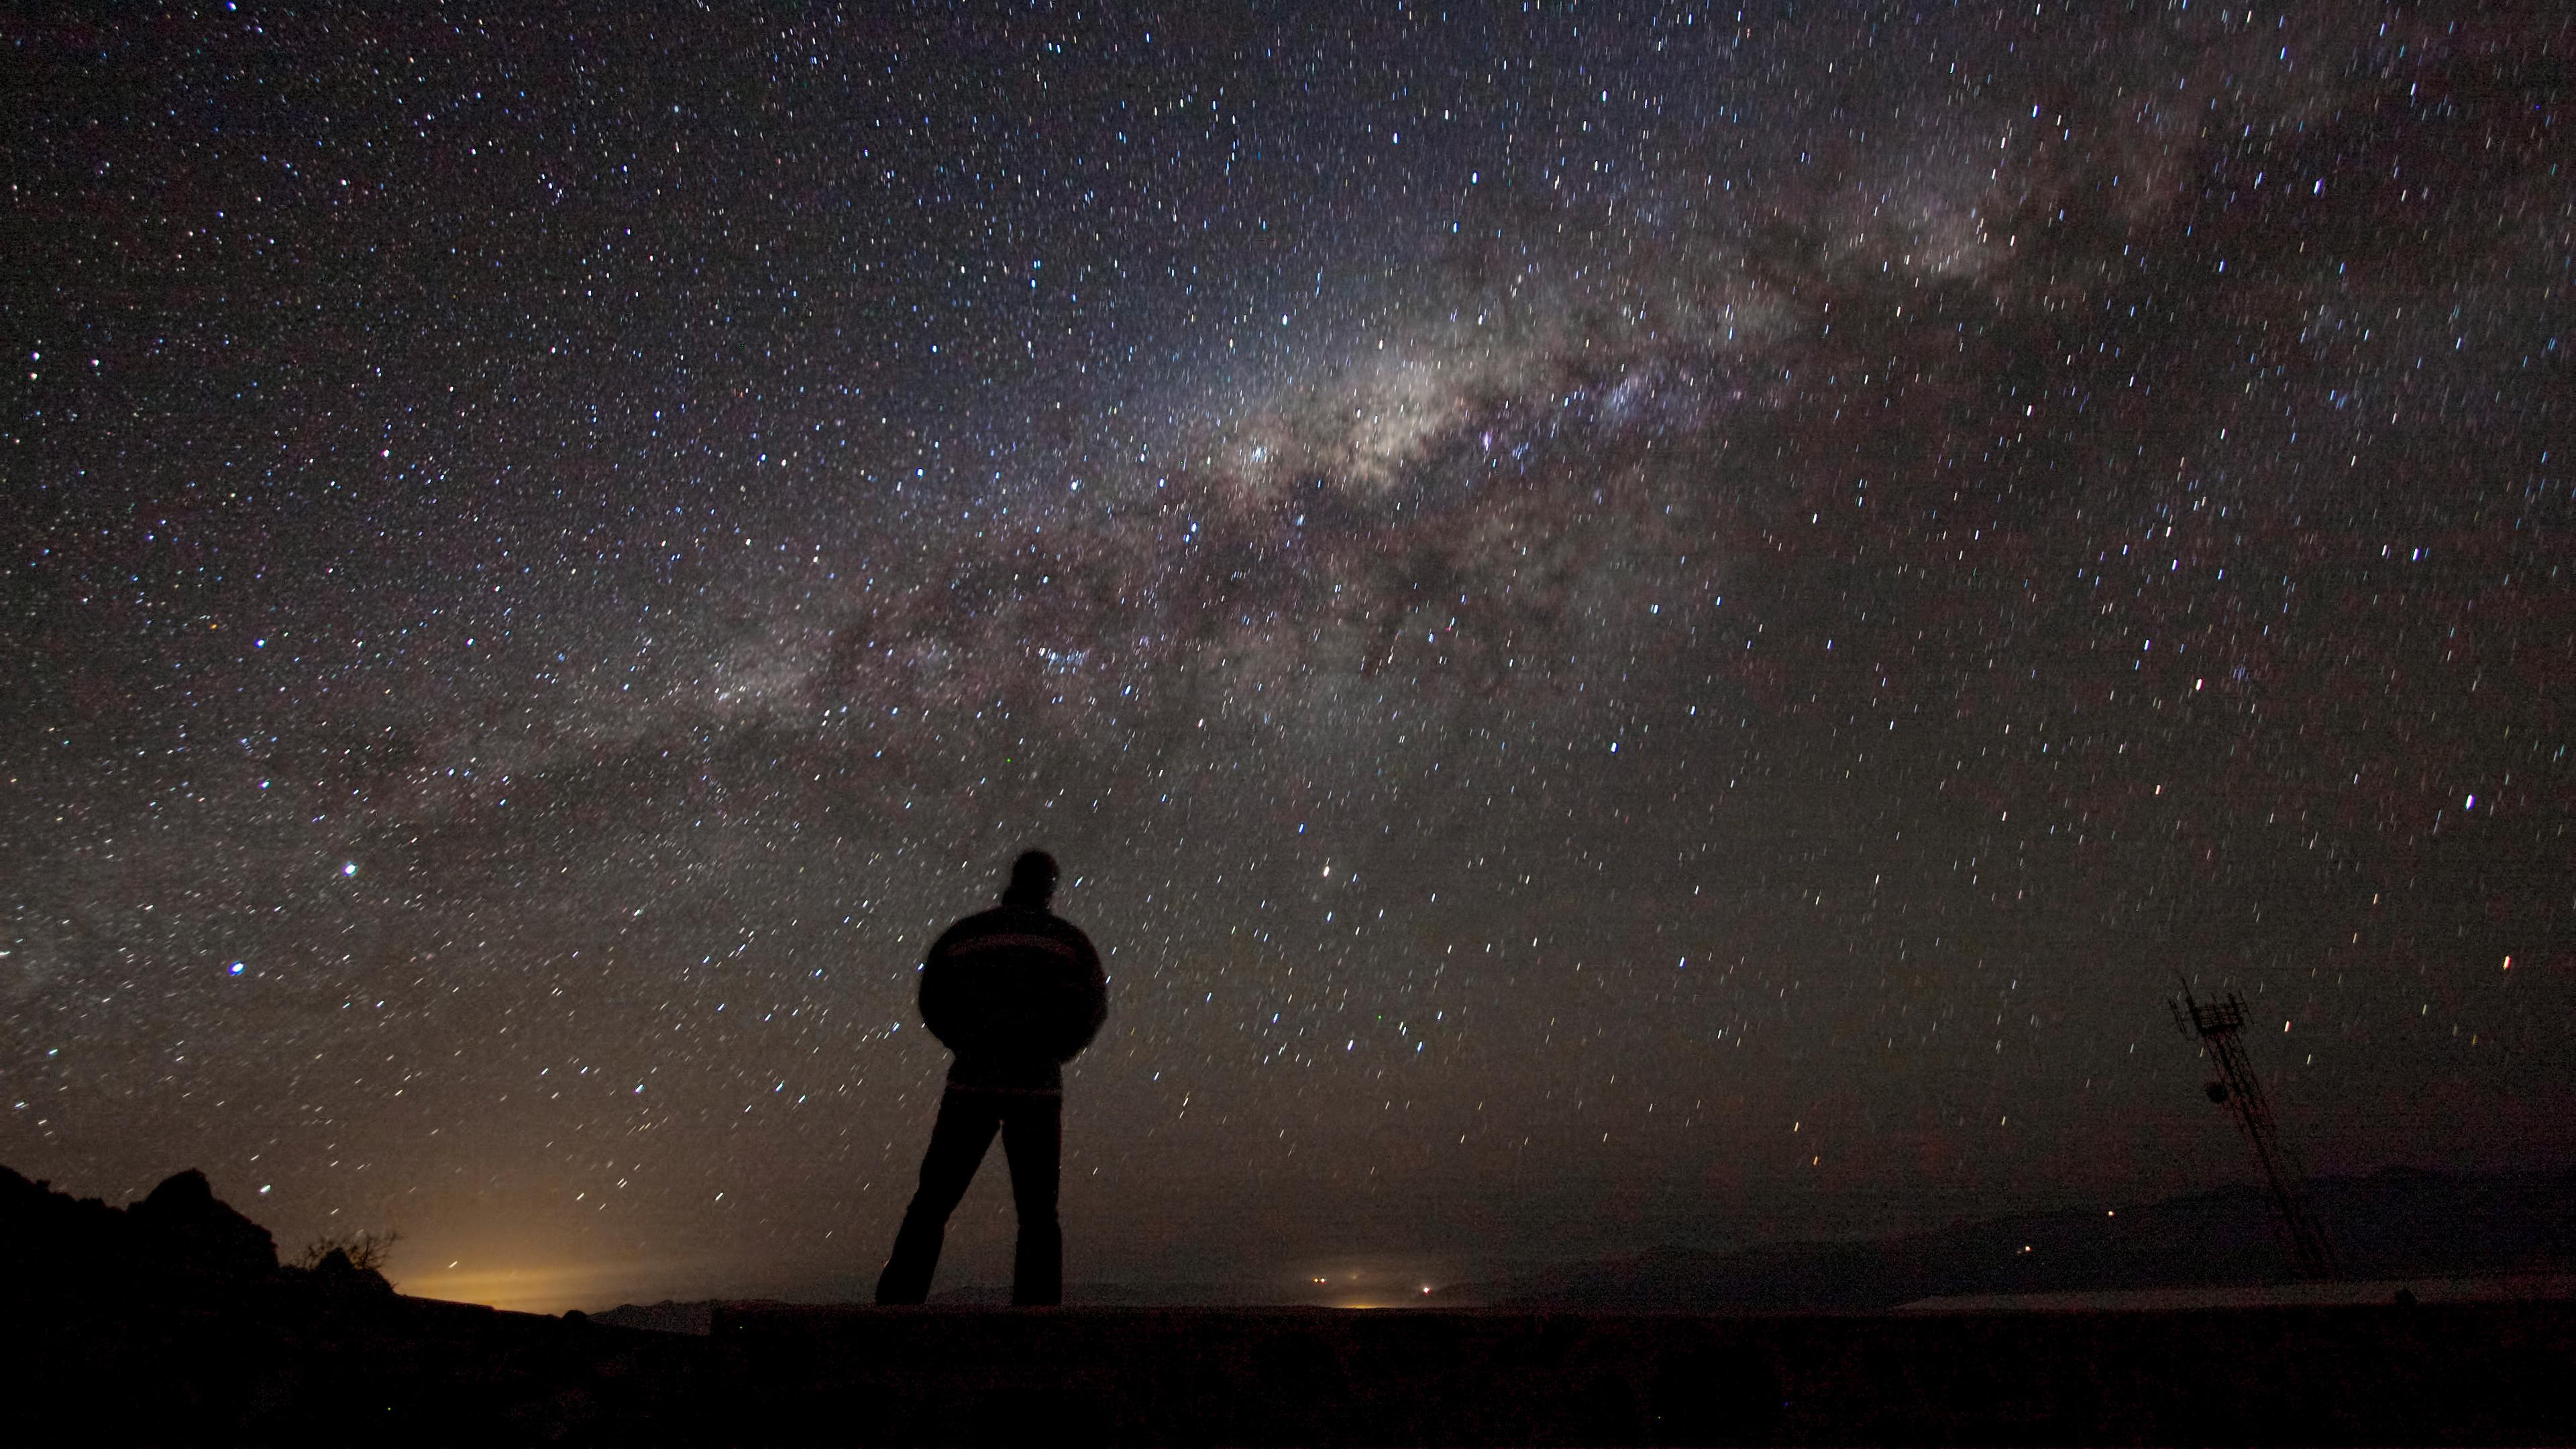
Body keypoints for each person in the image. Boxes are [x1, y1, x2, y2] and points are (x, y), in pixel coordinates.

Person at [875, 849, 1108, 1306]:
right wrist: (1053, 1052)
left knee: (932, 1201)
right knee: (1038, 1213)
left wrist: (967, 1044)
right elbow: (1092, 1008)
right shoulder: (1068, 941)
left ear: (1013, 881)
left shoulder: (966, 934)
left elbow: (933, 999)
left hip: (971, 1083)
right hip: (1037, 1088)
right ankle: (1036, 1320)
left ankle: (895, 1311)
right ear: (1050, 887)